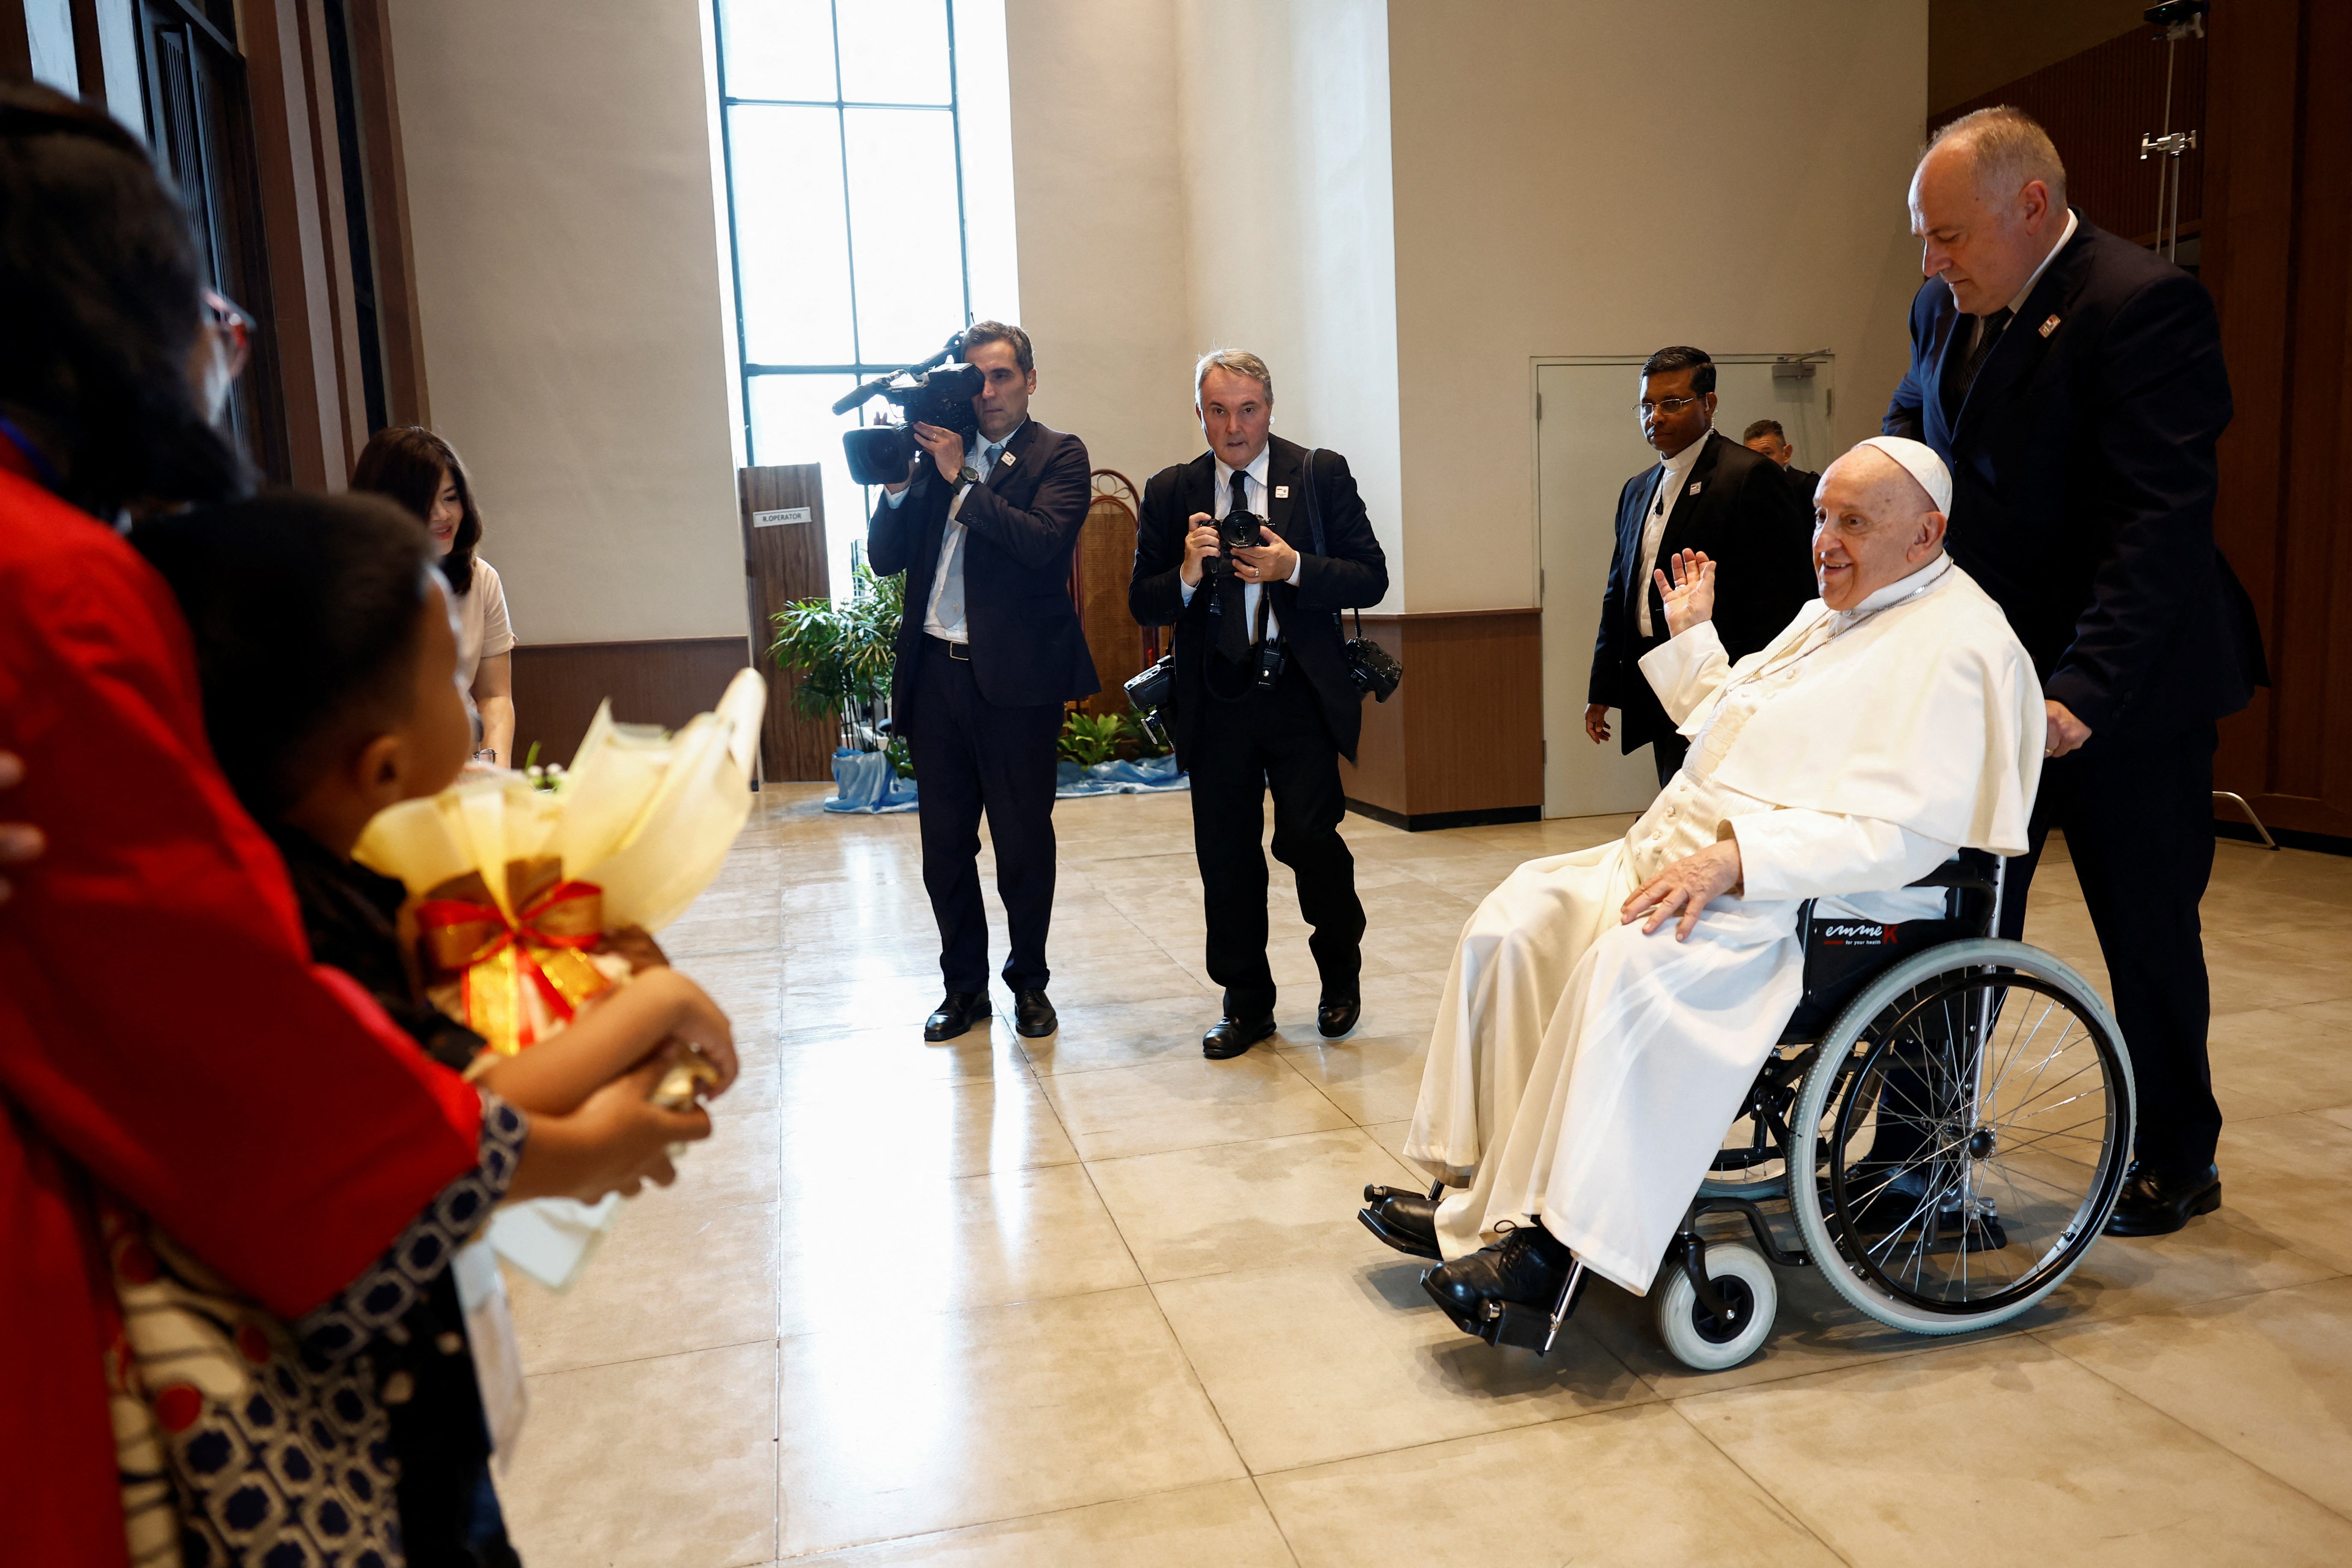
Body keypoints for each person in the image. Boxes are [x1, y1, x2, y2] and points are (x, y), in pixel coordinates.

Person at [0, 83, 686, 1562]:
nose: (219, 349)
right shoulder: (48, 583)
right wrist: (568, 1141)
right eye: (203, 303)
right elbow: (241, 1045)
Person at [136, 488, 736, 1562]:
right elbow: (439, 1123)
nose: (468, 705)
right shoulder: (288, 931)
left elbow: (457, 1075)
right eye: (442, 678)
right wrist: (646, 1027)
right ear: (378, 763)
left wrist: (602, 1047)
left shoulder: (332, 884)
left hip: (414, 1398)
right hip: (348, 1457)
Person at [1362, 440, 2040, 1325]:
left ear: (1925, 534)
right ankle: (1483, 1195)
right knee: (1518, 920)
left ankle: (1551, 1246)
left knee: (1627, 966)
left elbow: (1902, 833)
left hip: (1795, 901)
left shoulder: (1960, 645)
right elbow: (1736, 729)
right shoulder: (1838, 610)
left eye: (1851, 522)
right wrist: (1694, 638)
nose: (1823, 541)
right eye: (1819, 517)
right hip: (1686, 856)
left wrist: (1737, 860)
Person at [1885, 106, 2263, 1236]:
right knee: (1946, 919)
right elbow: (1915, 461)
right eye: (1923, 236)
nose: (1929, 260)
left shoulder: (2140, 305)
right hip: (1992, 685)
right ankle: (1910, 1157)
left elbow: (2156, 524)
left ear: (2030, 208)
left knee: (2143, 926)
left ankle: (2176, 1153)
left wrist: (2081, 693)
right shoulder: (1938, 309)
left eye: (1947, 235)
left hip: (2124, 691)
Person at [1130, 351, 1390, 1058]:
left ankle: (1341, 972)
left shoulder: (1318, 474)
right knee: (1226, 855)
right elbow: (1140, 601)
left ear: (1269, 408)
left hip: (1298, 691)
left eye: (1247, 409)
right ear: (1199, 413)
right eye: (1218, 410)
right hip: (1216, 696)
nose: (1233, 426)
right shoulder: (1170, 489)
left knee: (1308, 838)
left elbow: (1371, 576)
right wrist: (1184, 575)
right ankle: (1246, 1004)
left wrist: (1294, 567)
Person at [868, 321, 1097, 1043]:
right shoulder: (940, 453)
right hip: (936, 674)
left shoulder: (1057, 454)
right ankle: (962, 988)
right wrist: (904, 484)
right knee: (944, 848)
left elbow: (1040, 543)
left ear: (1030, 380)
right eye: (976, 377)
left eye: (1001, 375)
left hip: (1017, 684)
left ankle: (1029, 983)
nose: (988, 391)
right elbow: (883, 558)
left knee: (1024, 844)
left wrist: (958, 479)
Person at [1588, 348, 1815, 787]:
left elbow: (1782, 595)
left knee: (1716, 803)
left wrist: (1759, 688)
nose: (1656, 417)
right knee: (1673, 794)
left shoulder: (1747, 475)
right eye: (1647, 405)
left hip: (1723, 679)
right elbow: (1619, 591)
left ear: (1708, 404)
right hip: (1656, 675)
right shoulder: (1636, 489)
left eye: (1672, 403)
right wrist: (1602, 688)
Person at [353, 425, 517, 767]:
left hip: (464, 761)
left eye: (451, 497)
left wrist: (493, 772)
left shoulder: (481, 579)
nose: (442, 516)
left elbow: (495, 695)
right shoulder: (353, 587)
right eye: (425, 502)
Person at [1741, 416, 1820, 497]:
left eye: (1768, 453)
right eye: (1752, 455)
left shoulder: (1809, 486)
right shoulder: (1741, 489)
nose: (1759, 461)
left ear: (1786, 454)